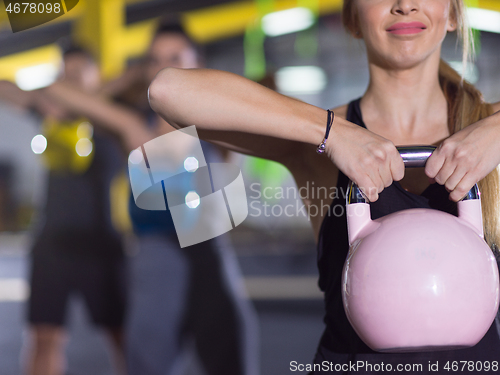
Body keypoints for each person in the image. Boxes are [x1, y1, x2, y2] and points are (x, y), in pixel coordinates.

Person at [147, 0, 500, 373]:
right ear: (352, 19)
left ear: (454, 14)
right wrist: (331, 132)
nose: (405, 5)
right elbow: (168, 91)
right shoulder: (316, 146)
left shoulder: (489, 135)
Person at [38, 24, 260, 375]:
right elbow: (56, 91)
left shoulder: (215, 125)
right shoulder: (132, 127)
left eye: (174, 58)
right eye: (154, 60)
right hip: (156, 260)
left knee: (233, 363)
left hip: (210, 256)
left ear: (197, 62)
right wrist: (126, 79)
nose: (164, 68)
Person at [0, 47, 129, 375]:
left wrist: (92, 96)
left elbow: (143, 77)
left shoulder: (113, 118)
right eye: (64, 74)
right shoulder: (49, 113)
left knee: (122, 336)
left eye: (77, 73)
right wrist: (44, 96)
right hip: (52, 244)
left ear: (96, 75)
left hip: (100, 244)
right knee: (44, 337)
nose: (69, 80)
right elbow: (7, 89)